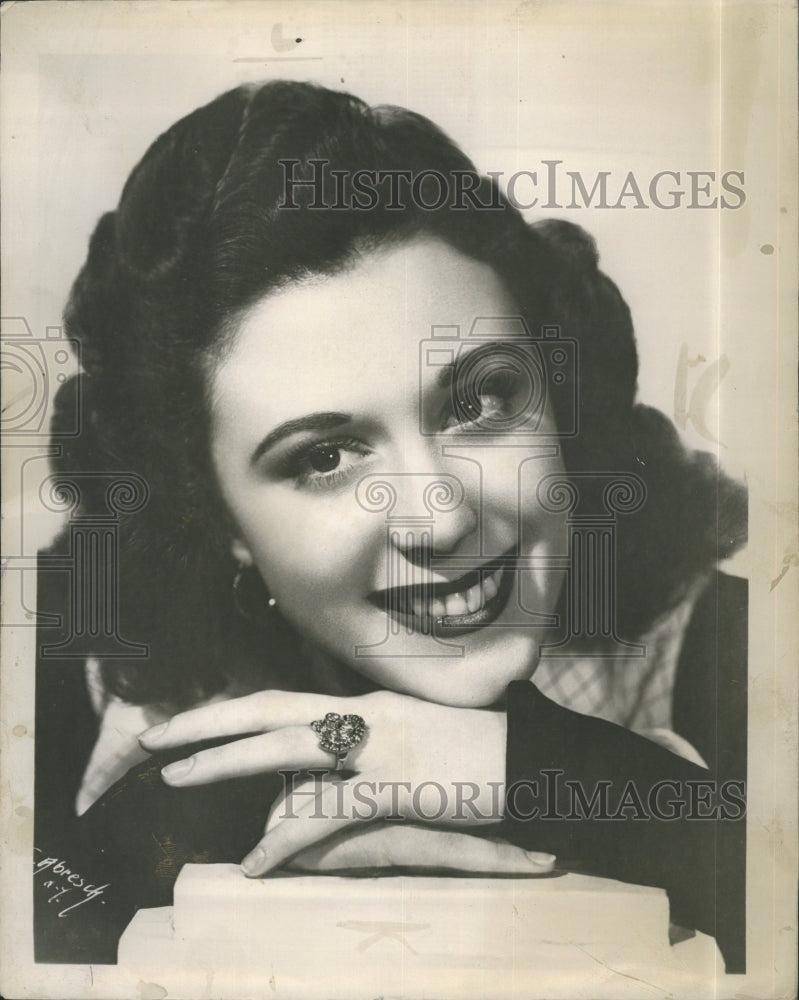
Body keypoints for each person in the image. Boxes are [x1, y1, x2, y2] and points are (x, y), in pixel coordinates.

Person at [33, 80, 747, 970]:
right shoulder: (70, 677)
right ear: (212, 516)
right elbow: (40, 928)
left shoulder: (721, 646)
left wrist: (538, 773)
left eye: (482, 399)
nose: (442, 516)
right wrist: (239, 801)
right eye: (326, 457)